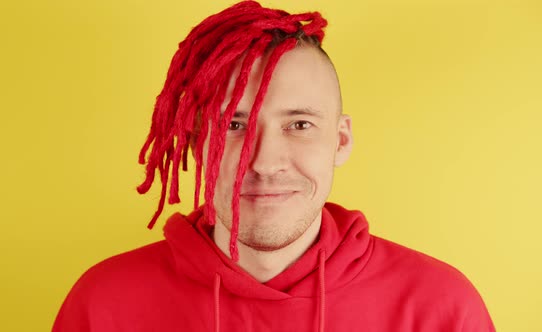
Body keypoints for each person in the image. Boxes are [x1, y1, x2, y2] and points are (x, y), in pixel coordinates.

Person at [53, 1, 495, 331]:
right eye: (232, 124)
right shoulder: (103, 304)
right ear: (192, 140)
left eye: (299, 124)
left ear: (340, 140)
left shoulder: (442, 308)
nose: (263, 161)